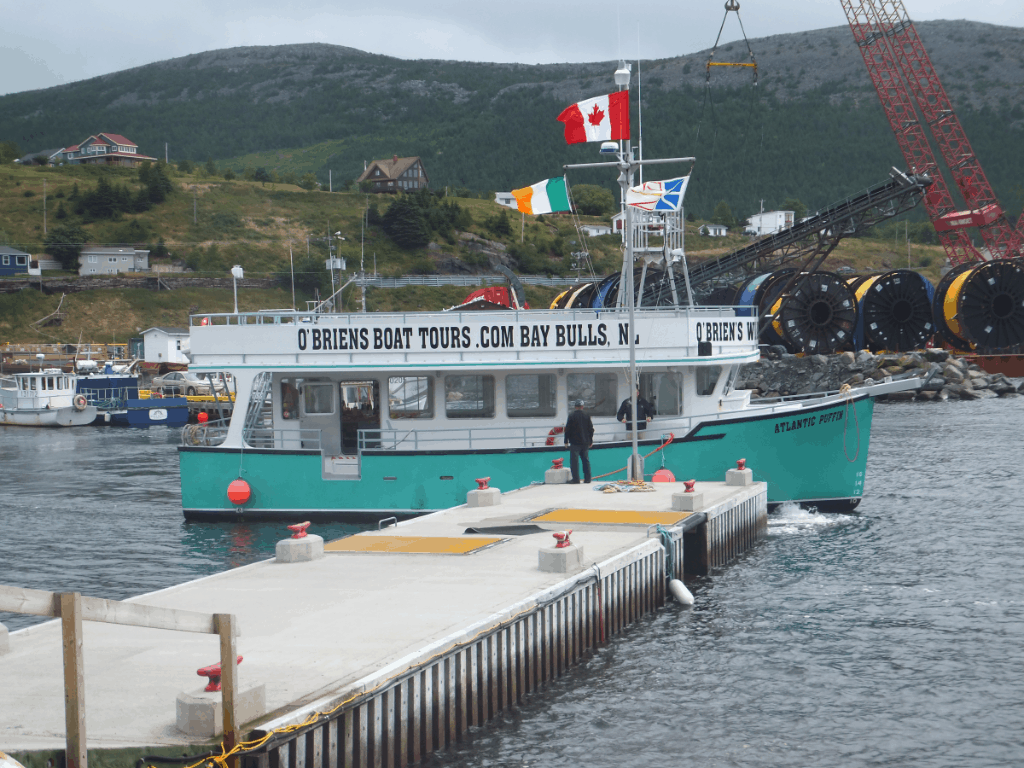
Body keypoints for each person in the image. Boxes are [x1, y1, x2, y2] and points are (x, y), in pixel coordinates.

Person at [563, 399, 594, 484]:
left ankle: (576, 479)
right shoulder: (587, 415)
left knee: (574, 461)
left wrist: (566, 441)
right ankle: (588, 479)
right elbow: (591, 429)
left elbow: (567, 430)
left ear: (575, 407)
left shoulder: (571, 415)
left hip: (575, 443)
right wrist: (590, 440)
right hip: (585, 442)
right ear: (582, 407)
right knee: (586, 461)